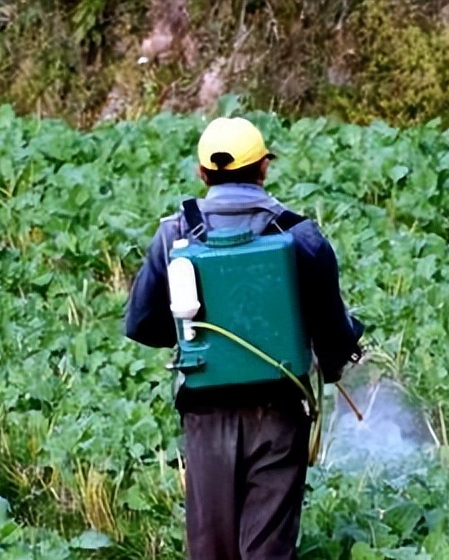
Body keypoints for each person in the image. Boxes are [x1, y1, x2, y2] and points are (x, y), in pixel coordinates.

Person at [124, 116, 364, 560]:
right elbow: (334, 337)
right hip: (277, 414)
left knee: (211, 550)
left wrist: (189, 337)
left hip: (205, 416)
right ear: (263, 169)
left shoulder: (173, 234)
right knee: (267, 549)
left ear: (202, 174)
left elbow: (140, 325)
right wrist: (338, 356)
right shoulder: (299, 235)